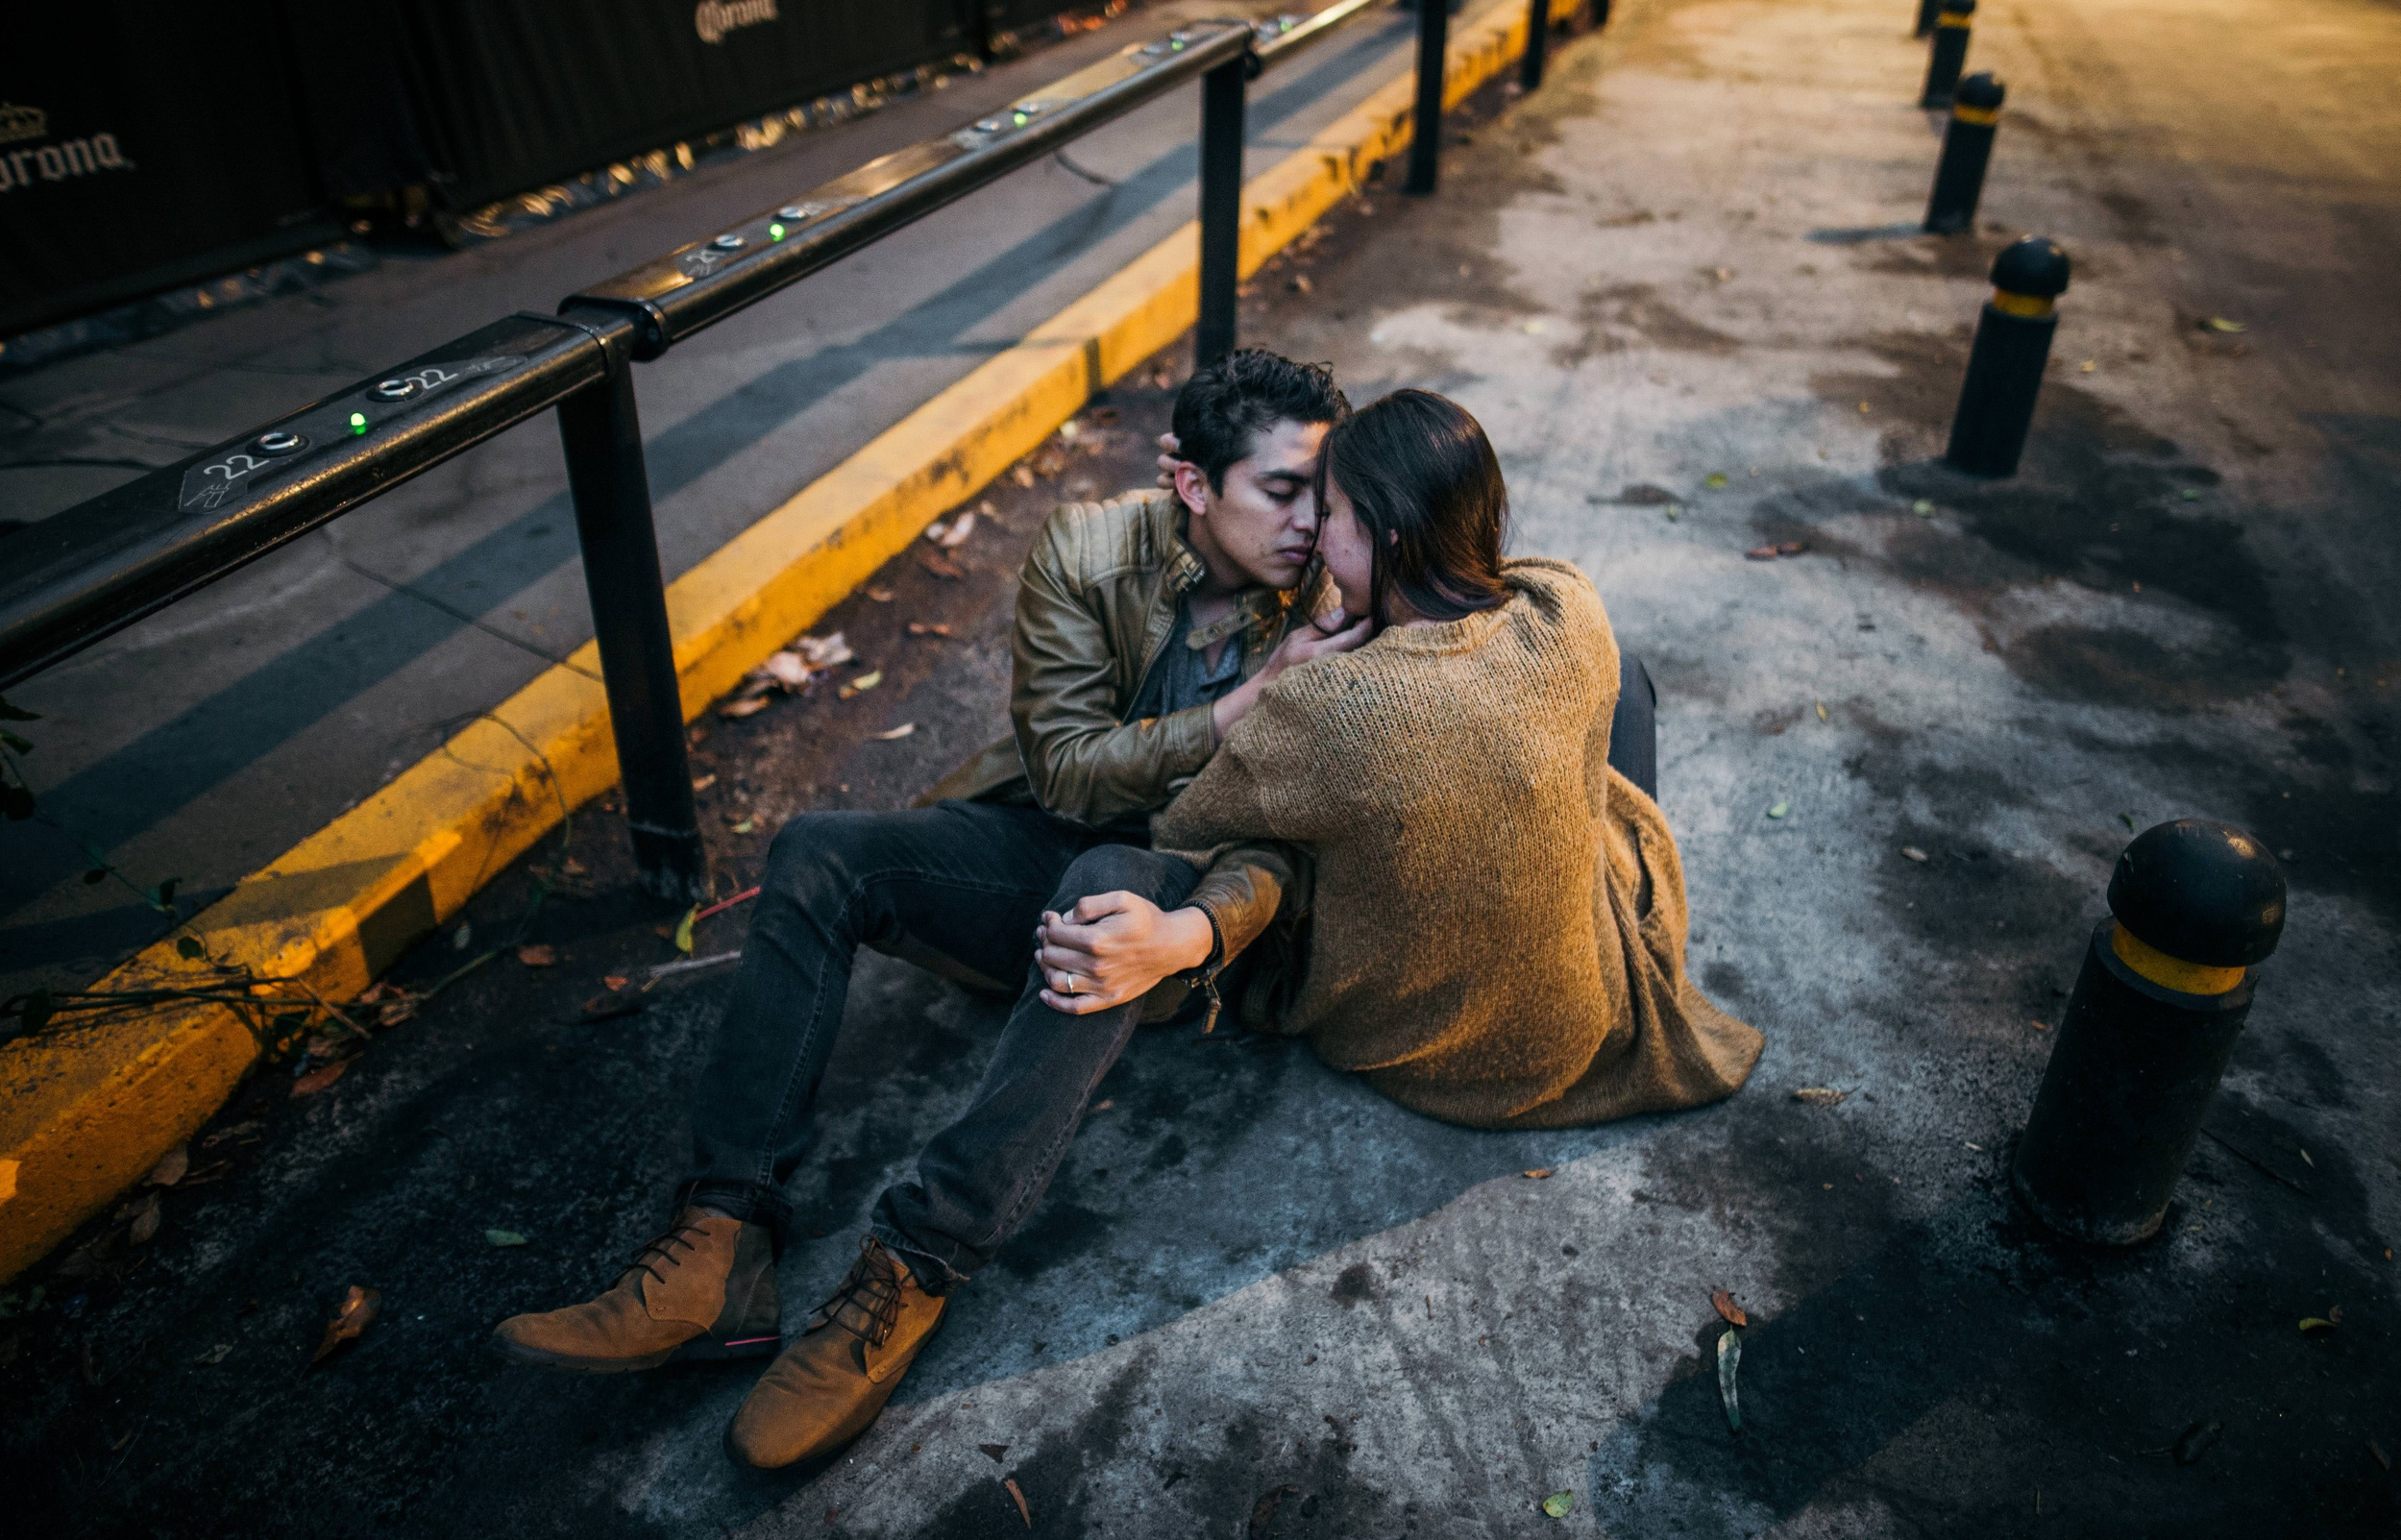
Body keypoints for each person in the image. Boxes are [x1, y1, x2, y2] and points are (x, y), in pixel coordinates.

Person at [490, 351, 1366, 1470]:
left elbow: (1285, 834)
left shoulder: (1335, 594)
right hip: (1047, 847)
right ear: (1192, 486)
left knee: (1103, 876)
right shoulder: (1089, 548)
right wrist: (1242, 702)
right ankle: (722, 1240)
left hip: (1175, 910)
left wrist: (1190, 929)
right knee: (819, 850)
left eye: (1321, 491)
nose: (1309, 521)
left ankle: (910, 1267)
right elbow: (1063, 772)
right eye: (1280, 490)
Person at [1144, 389, 1763, 1128]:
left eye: (1332, 512)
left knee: (1288, 835)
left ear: (1393, 533)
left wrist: (1272, 682)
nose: (1314, 534)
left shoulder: (1330, 704)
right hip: (1585, 1017)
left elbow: (1184, 825)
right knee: (1622, 687)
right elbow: (1508, 576)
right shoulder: (1568, 608)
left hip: (1436, 1063)